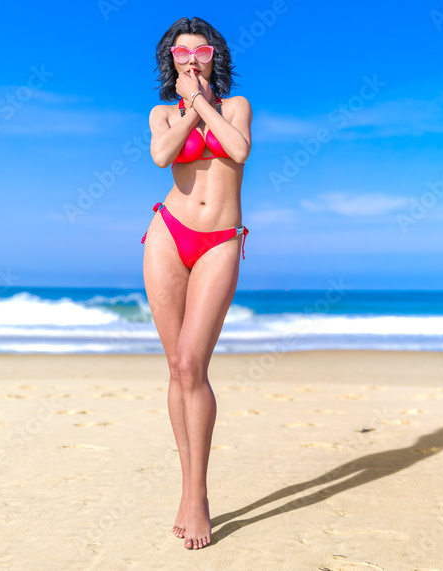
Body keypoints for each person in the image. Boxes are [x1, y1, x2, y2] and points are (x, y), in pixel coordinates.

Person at [141, 16, 252, 550]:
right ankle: (187, 490)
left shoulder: (234, 107)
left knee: (193, 365)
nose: (191, 59)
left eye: (201, 52)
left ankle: (197, 497)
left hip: (220, 241)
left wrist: (204, 101)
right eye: (182, 53)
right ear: (172, 61)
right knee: (174, 368)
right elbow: (163, 156)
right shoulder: (162, 113)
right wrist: (186, 106)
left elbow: (237, 150)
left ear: (214, 58)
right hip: (169, 234)